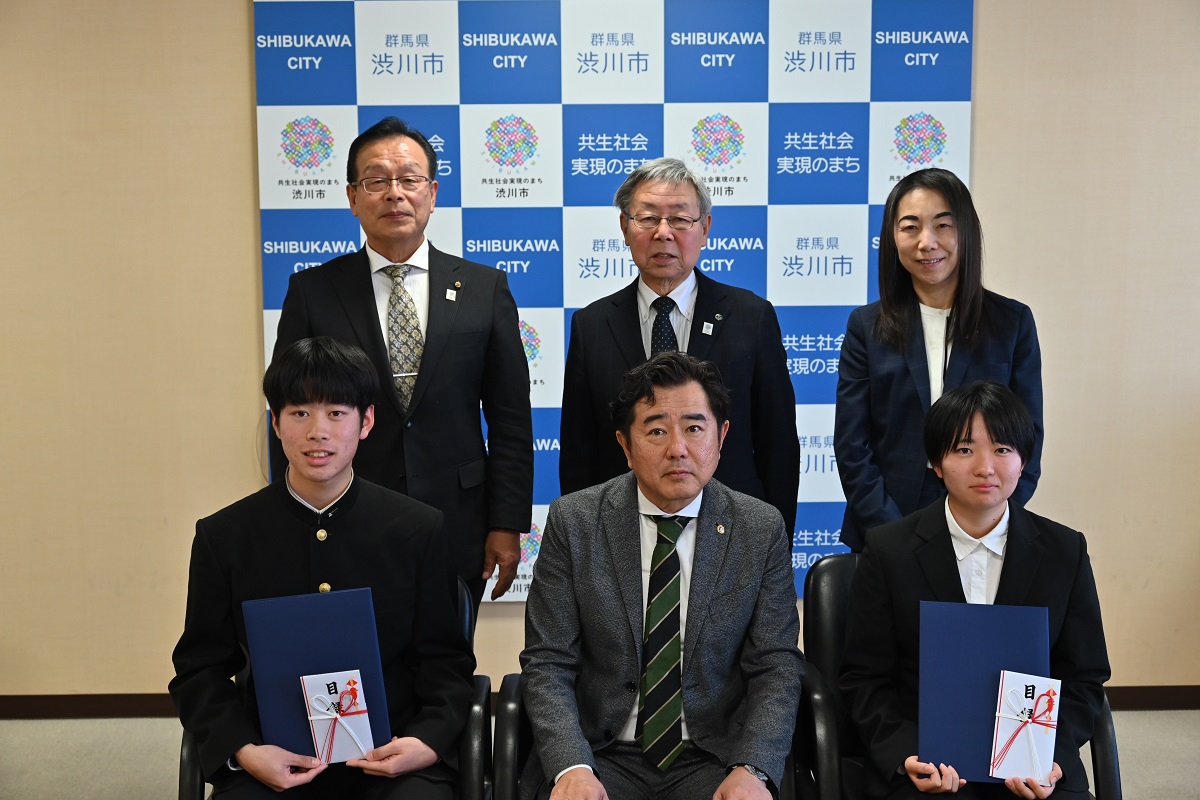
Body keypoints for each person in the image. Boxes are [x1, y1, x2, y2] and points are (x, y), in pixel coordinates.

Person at [170, 337, 475, 799]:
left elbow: (445, 663)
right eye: (299, 413)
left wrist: (426, 743)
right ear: (275, 423)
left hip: (392, 757)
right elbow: (199, 670)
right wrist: (244, 749)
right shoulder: (225, 536)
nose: (318, 431)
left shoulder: (418, 529)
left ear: (366, 421)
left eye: (336, 412)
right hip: (272, 757)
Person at [270, 116, 534, 605]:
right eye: (376, 181)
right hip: (344, 515)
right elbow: (290, 414)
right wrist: (292, 519)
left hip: (458, 519)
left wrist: (506, 523)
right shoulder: (313, 292)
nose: (395, 193)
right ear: (353, 197)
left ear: (431, 193)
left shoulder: (484, 289)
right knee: (356, 666)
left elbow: (512, 418)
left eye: (409, 180)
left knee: (446, 664)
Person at [522, 352, 804, 800]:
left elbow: (775, 665)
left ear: (721, 435)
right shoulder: (574, 521)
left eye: (694, 428)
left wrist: (752, 766)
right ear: (625, 445)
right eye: (656, 430)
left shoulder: (759, 527)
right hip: (601, 753)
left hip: (716, 757)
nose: (678, 448)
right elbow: (548, 661)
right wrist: (571, 765)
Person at [839, 381, 1109, 800]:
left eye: (1002, 449)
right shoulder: (888, 550)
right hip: (927, 770)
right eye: (964, 450)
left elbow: (1085, 677)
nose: (986, 467)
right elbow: (864, 679)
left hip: (1035, 769)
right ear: (936, 462)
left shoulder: (1064, 551)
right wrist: (907, 754)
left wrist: (1050, 758)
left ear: (1023, 461)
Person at [559, 157, 800, 533]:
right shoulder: (591, 325)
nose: (664, 233)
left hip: (732, 531)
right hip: (619, 532)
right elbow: (578, 453)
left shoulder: (751, 317)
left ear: (705, 228)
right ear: (625, 227)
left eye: (680, 219)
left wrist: (775, 548)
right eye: (648, 218)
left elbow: (779, 445)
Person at [834, 168, 1042, 552]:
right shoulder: (867, 326)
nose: (927, 242)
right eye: (910, 227)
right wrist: (893, 533)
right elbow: (852, 445)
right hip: (885, 527)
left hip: (985, 528)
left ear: (965, 230)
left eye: (943, 225)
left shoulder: (1011, 323)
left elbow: (1028, 438)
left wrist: (990, 518)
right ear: (892, 238)